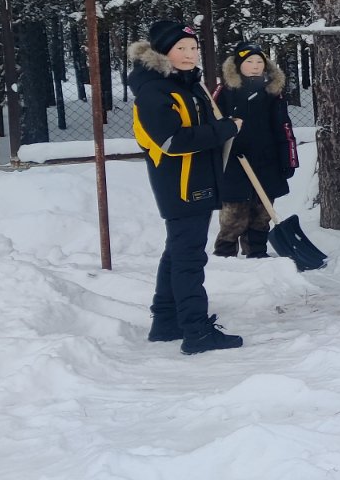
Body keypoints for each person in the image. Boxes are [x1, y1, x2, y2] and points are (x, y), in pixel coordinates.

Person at [128, 21, 245, 355]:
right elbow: (171, 141)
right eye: (181, 48)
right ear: (163, 52)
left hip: (197, 180)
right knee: (189, 258)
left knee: (178, 252)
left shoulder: (186, 85)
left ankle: (166, 322)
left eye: (193, 49)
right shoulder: (155, 91)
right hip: (180, 184)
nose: (189, 55)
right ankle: (196, 331)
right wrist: (223, 131)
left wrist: (221, 124)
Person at [212, 41, 298, 258]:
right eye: (249, 61)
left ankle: (257, 253)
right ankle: (224, 255)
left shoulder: (272, 92)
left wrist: (289, 159)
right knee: (234, 213)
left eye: (259, 61)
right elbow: (212, 125)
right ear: (238, 65)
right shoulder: (225, 92)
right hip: (233, 161)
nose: (255, 65)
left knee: (262, 212)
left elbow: (283, 126)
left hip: (266, 161)